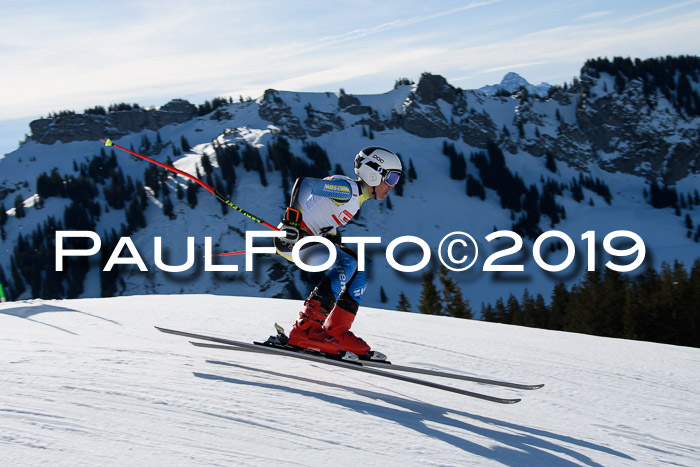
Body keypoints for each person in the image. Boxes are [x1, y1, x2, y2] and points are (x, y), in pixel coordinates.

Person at [274, 146, 402, 357]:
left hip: (307, 239)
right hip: (292, 239)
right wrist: (292, 221)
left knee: (362, 265)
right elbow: (305, 184)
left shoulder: (355, 199)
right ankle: (305, 330)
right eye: (392, 178)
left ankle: (337, 331)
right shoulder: (347, 191)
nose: (392, 186)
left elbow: (321, 215)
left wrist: (332, 237)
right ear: (373, 173)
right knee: (349, 263)